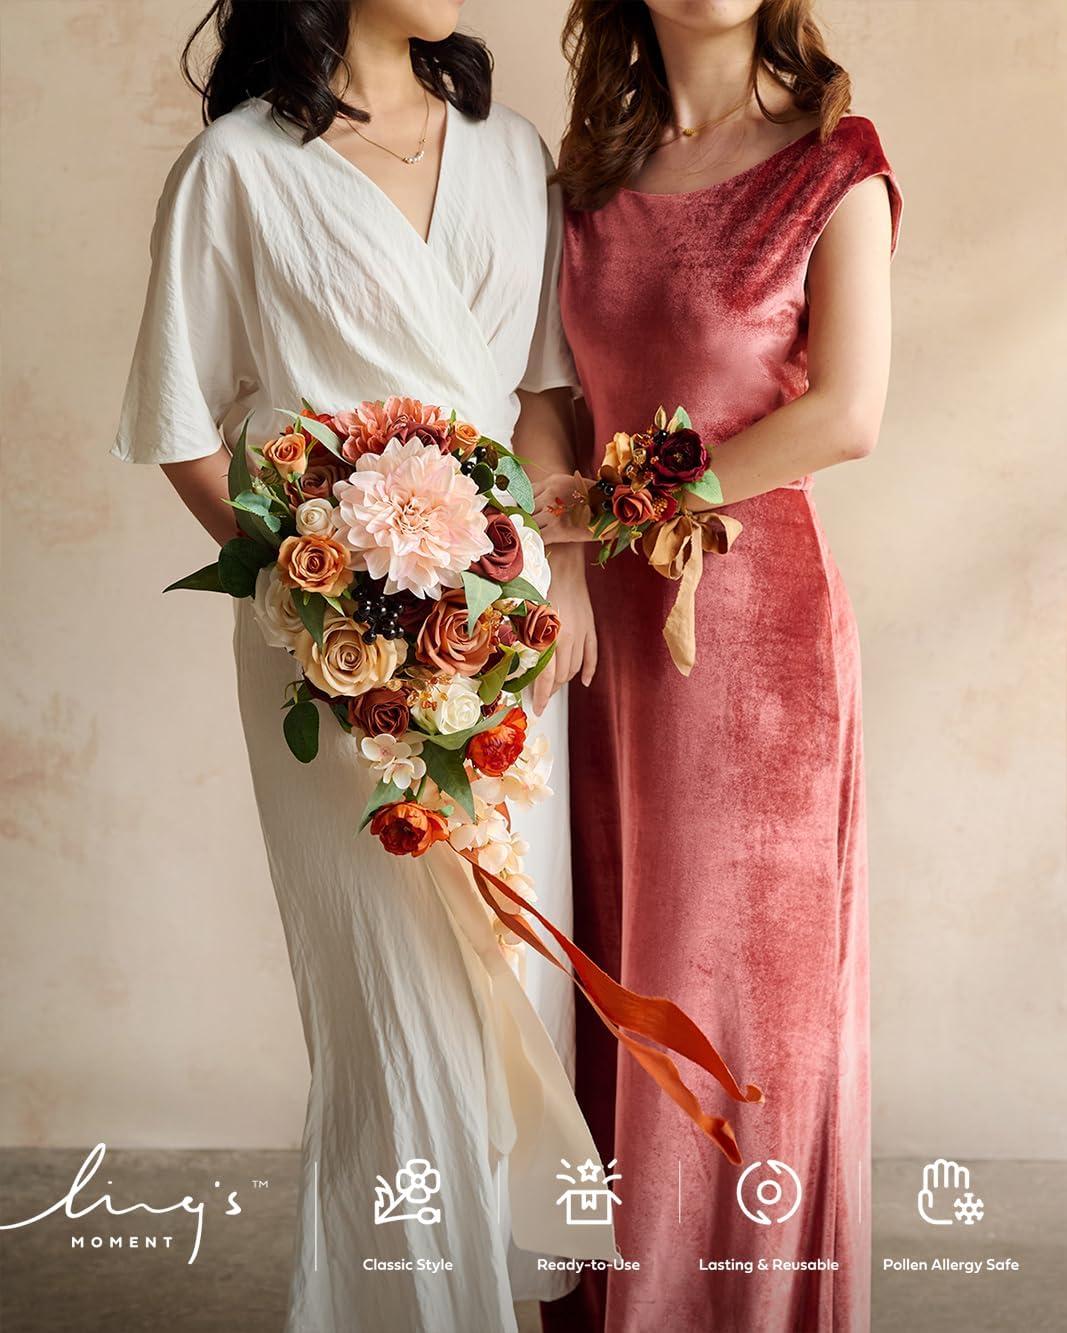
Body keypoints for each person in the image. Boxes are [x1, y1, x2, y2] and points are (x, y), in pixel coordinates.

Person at [111, 2, 611, 1329]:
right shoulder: (238, 167)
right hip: (335, 658)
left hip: (503, 643)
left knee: (508, 978)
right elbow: (182, 428)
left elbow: (543, 399)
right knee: (397, 1011)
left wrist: (558, 581)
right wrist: (312, 594)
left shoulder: (511, 150)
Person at [533, 1, 903, 1329]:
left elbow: (846, 414)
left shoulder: (833, 162)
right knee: (616, 961)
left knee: (738, 990)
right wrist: (564, 556)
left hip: (754, 636)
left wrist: (618, 508)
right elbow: (547, 397)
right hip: (603, 634)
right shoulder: (584, 179)